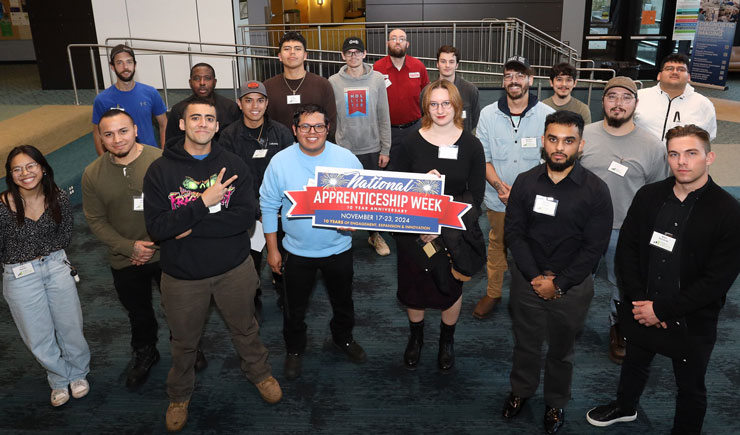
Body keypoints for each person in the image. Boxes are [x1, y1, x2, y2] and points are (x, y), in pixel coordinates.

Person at [585, 125, 740, 435]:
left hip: (691, 320)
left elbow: (716, 281)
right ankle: (625, 406)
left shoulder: (729, 211)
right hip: (641, 307)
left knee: (691, 386)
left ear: (709, 157)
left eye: (691, 153)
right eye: (674, 154)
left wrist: (663, 310)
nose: (682, 161)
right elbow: (627, 251)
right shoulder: (649, 195)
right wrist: (642, 304)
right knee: (634, 363)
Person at [143, 97, 281, 432]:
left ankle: (259, 373)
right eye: (195, 118)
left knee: (246, 328)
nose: (202, 124)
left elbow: (245, 218)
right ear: (182, 124)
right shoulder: (160, 170)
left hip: (234, 269)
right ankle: (179, 395)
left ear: (217, 126)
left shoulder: (234, 163)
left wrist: (188, 226)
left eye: (209, 118)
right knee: (184, 341)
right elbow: (158, 228)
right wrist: (204, 202)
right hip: (182, 277)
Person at [502, 111, 613, 434]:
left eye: (568, 141)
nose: (559, 147)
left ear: (581, 145)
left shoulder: (596, 190)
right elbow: (514, 234)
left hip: (573, 287)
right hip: (527, 280)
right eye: (553, 139)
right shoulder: (525, 182)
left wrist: (559, 284)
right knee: (526, 343)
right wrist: (537, 278)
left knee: (562, 350)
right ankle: (521, 392)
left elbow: (594, 248)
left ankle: (556, 402)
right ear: (543, 141)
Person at [260, 104, 367, 381]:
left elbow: (366, 201)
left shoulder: (346, 159)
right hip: (295, 251)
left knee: (343, 303)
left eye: (319, 126)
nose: (312, 132)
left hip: (338, 248)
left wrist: (355, 219)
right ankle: (294, 350)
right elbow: (269, 206)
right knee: (293, 308)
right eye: (305, 127)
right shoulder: (280, 162)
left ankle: (343, 339)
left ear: (327, 129)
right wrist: (272, 250)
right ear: (294, 131)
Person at [390, 79, 485, 371]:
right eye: (434, 104)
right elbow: (394, 189)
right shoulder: (409, 143)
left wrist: (442, 223)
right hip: (414, 230)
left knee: (450, 288)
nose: (440, 109)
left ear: (456, 105)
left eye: (446, 103)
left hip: (453, 232)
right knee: (414, 286)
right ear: (425, 107)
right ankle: (416, 337)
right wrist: (420, 187)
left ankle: (447, 340)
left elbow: (475, 197)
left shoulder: (470, 144)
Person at [581, 76, 669, 364]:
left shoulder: (652, 146)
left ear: (636, 103)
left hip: (626, 230)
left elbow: (658, 194)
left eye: (626, 97)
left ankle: (618, 327)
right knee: (577, 279)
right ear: (603, 101)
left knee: (624, 284)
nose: (618, 103)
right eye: (612, 97)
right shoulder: (584, 135)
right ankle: (568, 322)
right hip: (583, 227)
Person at [1, 145, 91, 407]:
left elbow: (64, 236)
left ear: (42, 168)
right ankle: (58, 378)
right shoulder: (2, 206)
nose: (25, 173)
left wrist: (47, 257)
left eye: (30, 166)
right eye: (17, 169)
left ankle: (78, 374)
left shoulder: (58, 197)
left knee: (70, 326)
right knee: (37, 335)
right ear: (10, 174)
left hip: (55, 266)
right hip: (19, 275)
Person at [474, 55, 555, 319]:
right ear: (503, 81)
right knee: (497, 244)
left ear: (531, 80)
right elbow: (482, 157)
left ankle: (531, 294)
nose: (514, 80)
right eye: (509, 75)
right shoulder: (488, 115)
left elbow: (552, 159)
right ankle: (494, 292)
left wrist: (521, 193)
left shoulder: (547, 115)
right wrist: (499, 186)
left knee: (536, 247)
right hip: (499, 197)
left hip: (536, 200)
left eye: (520, 75)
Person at [219, 80, 293, 309]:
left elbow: (291, 173)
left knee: (284, 259)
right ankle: (253, 301)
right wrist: (256, 210)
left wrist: (275, 208)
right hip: (246, 212)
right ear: (239, 104)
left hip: (280, 209)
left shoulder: (281, 133)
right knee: (249, 264)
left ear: (267, 103)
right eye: (248, 100)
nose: (254, 106)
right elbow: (228, 180)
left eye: (260, 100)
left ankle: (285, 296)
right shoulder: (228, 136)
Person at [329, 36, 392, 257]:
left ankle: (374, 235)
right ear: (343, 56)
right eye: (349, 52)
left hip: (372, 148)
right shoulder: (333, 81)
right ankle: (340, 238)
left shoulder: (376, 79)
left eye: (357, 52)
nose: (353, 56)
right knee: (345, 197)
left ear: (364, 54)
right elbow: (331, 118)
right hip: (345, 149)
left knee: (371, 197)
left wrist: (385, 148)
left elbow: (384, 115)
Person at [92, 44, 167, 154]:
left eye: (129, 62)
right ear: (112, 67)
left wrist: (163, 154)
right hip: (119, 158)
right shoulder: (102, 99)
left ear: (135, 65)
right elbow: (97, 133)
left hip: (150, 156)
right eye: (119, 63)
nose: (125, 67)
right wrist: (103, 161)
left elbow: (164, 124)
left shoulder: (151, 93)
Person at [264, 31, 337, 140]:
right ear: (279, 56)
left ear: (305, 55)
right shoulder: (268, 87)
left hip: (315, 148)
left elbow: (330, 123)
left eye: (297, 49)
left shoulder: (322, 85)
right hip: (280, 150)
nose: (292, 52)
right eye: (287, 49)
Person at [373, 28, 430, 162]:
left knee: (416, 164)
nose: (397, 42)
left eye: (401, 39)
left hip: (415, 128)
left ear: (407, 44)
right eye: (393, 38)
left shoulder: (418, 66)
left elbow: (427, 96)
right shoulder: (377, 68)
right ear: (387, 43)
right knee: (390, 169)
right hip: (387, 131)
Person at [634, 53, 717, 143]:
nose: (675, 72)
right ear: (659, 76)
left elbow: (707, 137)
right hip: (641, 155)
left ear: (689, 77)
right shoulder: (639, 97)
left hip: (682, 156)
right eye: (669, 69)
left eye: (681, 69)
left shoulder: (703, 104)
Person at [164, 62, 241, 143]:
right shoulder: (178, 109)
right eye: (197, 78)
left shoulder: (230, 108)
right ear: (190, 82)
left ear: (215, 82)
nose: (202, 83)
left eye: (207, 78)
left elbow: (238, 142)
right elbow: (171, 144)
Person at [420, 45, 480, 132]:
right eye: (443, 61)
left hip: (463, 141)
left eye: (451, 62)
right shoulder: (427, 91)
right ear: (437, 64)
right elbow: (424, 117)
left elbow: (475, 119)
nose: (447, 65)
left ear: (457, 65)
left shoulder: (470, 90)